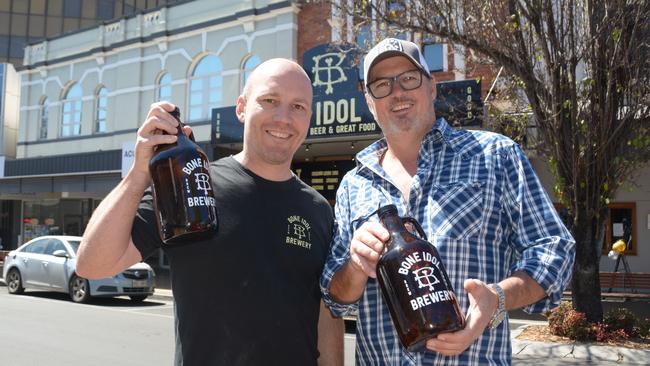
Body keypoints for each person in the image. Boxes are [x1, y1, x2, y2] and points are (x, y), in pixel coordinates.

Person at [320, 38, 576, 364]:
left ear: (432, 88)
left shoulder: (495, 155)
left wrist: (497, 297)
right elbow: (335, 297)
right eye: (382, 85)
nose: (397, 92)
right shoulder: (353, 185)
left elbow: (554, 246)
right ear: (370, 102)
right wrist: (356, 267)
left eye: (409, 78)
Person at [77, 58, 343, 366]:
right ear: (241, 108)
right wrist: (139, 173)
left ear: (309, 117)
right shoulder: (194, 184)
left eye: (298, 107)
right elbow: (92, 264)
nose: (283, 118)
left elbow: (325, 315)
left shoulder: (319, 210)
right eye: (270, 101)